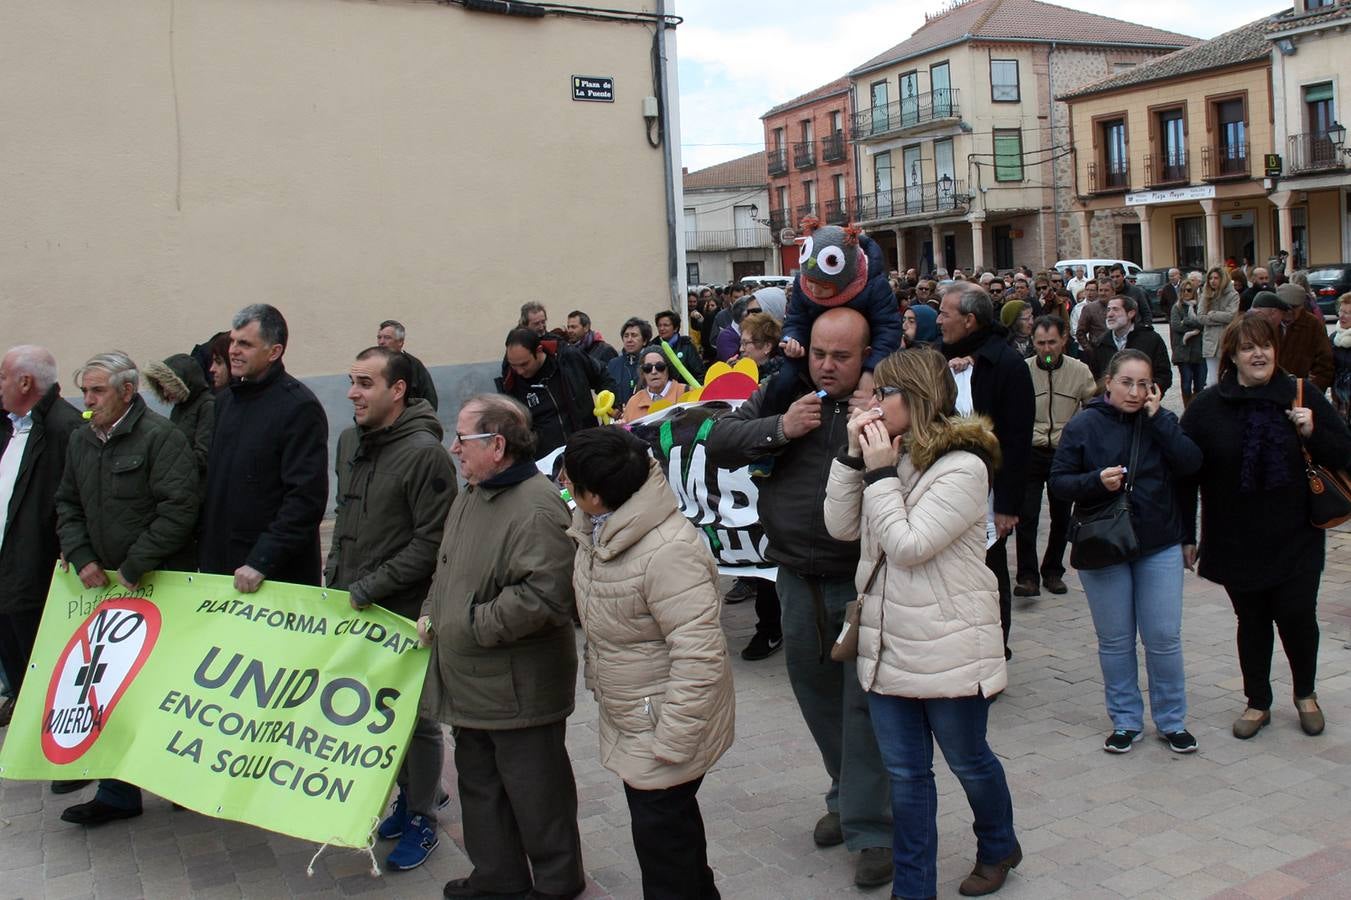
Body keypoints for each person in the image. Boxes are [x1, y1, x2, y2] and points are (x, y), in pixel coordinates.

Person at [705, 308, 894, 890]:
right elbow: (718, 441)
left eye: (841, 356)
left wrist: (878, 421)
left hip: (861, 584)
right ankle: (845, 795)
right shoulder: (786, 395)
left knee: (863, 709)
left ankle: (873, 830)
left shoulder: (887, 400)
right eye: (818, 354)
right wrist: (781, 428)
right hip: (793, 577)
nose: (827, 366)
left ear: (865, 353)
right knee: (817, 698)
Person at [823, 347, 1021, 900]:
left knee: (968, 761)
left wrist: (881, 473)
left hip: (949, 645)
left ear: (918, 397)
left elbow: (909, 546)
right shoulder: (889, 455)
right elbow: (840, 528)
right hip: (887, 645)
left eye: (884, 393)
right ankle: (914, 889)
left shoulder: (965, 465)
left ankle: (999, 842)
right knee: (908, 780)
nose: (873, 403)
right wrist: (850, 460)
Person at [421, 395, 586, 900]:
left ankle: (558, 883)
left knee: (537, 793)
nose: (452, 448)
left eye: (462, 439)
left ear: (496, 445)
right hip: (471, 679)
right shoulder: (472, 491)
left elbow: (544, 596)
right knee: (480, 786)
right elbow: (447, 568)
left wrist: (469, 624)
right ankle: (498, 877)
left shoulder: (536, 505)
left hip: (518, 686)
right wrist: (433, 611)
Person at [562, 427, 734, 899]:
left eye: (570, 482)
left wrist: (672, 740)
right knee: (671, 842)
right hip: (637, 713)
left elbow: (700, 654)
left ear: (595, 495)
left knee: (664, 854)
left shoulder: (667, 550)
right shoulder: (599, 527)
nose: (564, 487)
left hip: (665, 726)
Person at [1180, 315, 1351, 740]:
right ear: (1232, 356)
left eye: (1266, 346)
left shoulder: (1300, 394)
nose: (1259, 354)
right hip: (1235, 536)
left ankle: (1306, 694)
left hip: (1296, 534)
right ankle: (1258, 701)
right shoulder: (1208, 405)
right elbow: (1183, 473)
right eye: (1248, 347)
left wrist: (1312, 432)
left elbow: (1344, 452)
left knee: (1296, 615)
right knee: (1251, 620)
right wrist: (1187, 533)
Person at [326, 347, 457, 871]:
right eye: (351, 381)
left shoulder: (425, 453)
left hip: (403, 610)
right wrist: (335, 580)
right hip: (356, 605)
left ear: (397, 390)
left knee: (418, 719)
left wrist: (369, 587)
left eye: (365, 383)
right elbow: (343, 516)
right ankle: (408, 797)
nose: (353, 392)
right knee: (382, 714)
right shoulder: (348, 441)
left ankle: (425, 814)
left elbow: (431, 541)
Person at [56, 351, 199, 825]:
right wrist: (82, 558)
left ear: (127, 391)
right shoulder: (81, 439)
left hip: (155, 586)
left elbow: (179, 508)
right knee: (110, 686)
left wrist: (135, 565)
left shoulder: (161, 437)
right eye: (85, 391)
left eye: (97, 391)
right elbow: (67, 504)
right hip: (102, 590)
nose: (88, 400)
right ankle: (117, 792)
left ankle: (178, 781)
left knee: (161, 687)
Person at [1050, 349, 1203, 754]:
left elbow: (1191, 466)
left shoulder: (1162, 421)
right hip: (1105, 544)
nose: (1135, 392)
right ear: (1108, 382)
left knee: (1164, 638)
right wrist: (1096, 482)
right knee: (1115, 640)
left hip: (1159, 543)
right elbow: (1060, 482)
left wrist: (1157, 420)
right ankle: (1125, 720)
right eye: (1126, 383)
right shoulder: (1085, 424)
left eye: (1143, 384)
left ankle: (1172, 720)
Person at [199, 306, 328, 594]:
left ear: (274, 352)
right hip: (221, 571)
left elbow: (305, 500)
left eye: (245, 343)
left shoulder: (298, 407)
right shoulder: (225, 402)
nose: (233, 350)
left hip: (272, 578)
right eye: (233, 341)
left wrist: (261, 561)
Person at [937, 283, 1035, 659]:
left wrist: (1008, 505)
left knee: (989, 575)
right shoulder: (938, 357)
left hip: (989, 495)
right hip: (943, 491)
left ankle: (995, 651)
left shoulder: (1006, 365)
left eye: (946, 314)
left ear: (969, 319)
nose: (940, 320)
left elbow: (1016, 441)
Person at [0, 346, 82, 732]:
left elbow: (74, 499)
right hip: (9, 567)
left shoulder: (63, 428)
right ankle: (31, 733)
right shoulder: (14, 426)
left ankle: (54, 739)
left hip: (38, 573)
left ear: (25, 382)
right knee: (18, 668)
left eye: (2, 376)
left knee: (45, 665)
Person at [1014, 317, 1097, 598]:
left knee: (1062, 516)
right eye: (1040, 343)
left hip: (1065, 452)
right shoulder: (1022, 370)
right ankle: (1027, 576)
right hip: (1032, 450)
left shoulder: (1079, 370)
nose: (1046, 349)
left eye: (1052, 342)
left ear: (1064, 340)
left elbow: (1093, 406)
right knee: (1027, 516)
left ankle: (1052, 570)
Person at [498, 327, 617, 457]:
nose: (519, 371)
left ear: (538, 351)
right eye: (514, 366)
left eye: (524, 364)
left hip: (586, 447)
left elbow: (602, 375)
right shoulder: (511, 383)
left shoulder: (568, 358)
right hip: (547, 461)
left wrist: (611, 404)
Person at [142, 353, 214, 495]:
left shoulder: (207, 405)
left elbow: (204, 454)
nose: (165, 393)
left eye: (167, 386)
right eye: (161, 388)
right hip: (180, 484)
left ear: (182, 382)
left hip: (197, 489)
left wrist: (169, 464)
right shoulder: (181, 406)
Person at [1272, 283, 1334, 392]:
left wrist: (1311, 390)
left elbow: (1325, 364)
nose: (1289, 311)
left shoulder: (1312, 325)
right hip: (1271, 391)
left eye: (1294, 307)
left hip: (1301, 393)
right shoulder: (1268, 322)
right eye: (1285, 306)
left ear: (1302, 306)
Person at [377, 319, 439, 411]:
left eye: (387, 337)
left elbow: (430, 399)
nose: (381, 342)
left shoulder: (414, 365)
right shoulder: (373, 364)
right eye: (379, 337)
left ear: (400, 342)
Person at [1198, 266, 1240, 387]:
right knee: (1213, 380)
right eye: (1210, 278)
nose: (1213, 281)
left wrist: (1212, 314)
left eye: (1216, 278)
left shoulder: (1232, 295)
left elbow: (1232, 316)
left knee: (1228, 377)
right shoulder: (1205, 295)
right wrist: (1219, 318)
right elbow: (1200, 317)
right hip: (1210, 341)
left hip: (1226, 339)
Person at [622, 348, 685, 422]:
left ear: (668, 368)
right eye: (647, 368)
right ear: (642, 373)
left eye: (659, 366)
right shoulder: (633, 402)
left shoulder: (687, 392)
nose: (653, 372)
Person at [1171, 278, 1206, 407]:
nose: (1186, 292)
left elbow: (1203, 323)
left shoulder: (1200, 306)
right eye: (1184, 290)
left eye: (1189, 290)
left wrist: (1185, 321)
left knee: (1200, 384)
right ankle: (1188, 409)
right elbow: (1176, 326)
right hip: (1183, 352)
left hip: (1199, 351)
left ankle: (1195, 411)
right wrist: (1192, 325)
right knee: (1186, 385)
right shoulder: (1176, 307)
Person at [606, 317, 652, 407]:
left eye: (634, 335)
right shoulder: (613, 364)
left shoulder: (652, 363)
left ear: (645, 341)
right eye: (626, 336)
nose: (629, 340)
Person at [654, 310, 707, 386]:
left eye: (666, 325)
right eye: (659, 325)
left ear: (675, 328)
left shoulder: (686, 345)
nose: (661, 328)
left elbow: (699, 373)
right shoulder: (654, 346)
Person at [1073, 278, 1109, 373]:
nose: (1089, 293)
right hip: (1090, 350)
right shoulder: (1083, 308)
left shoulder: (1115, 306)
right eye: (1087, 290)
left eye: (1092, 290)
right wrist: (1089, 349)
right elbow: (1078, 331)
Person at [1331, 293, 1351, 423]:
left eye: (1348, 313)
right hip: (1339, 402)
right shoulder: (1334, 337)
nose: (1342, 316)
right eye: (1341, 311)